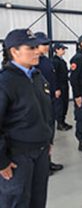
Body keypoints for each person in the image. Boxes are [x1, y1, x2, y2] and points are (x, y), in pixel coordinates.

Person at [0, 29, 52, 207]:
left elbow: (45, 111)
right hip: (18, 157)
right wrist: (2, 162)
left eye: (36, 46)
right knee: (17, 201)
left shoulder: (37, 77)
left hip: (41, 151)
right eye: (30, 48)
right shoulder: (5, 82)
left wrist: (48, 139)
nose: (37, 51)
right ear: (14, 51)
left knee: (38, 200)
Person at [35, 32, 64, 175]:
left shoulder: (46, 60)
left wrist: (56, 89)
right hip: (40, 103)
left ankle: (48, 161)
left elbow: (51, 77)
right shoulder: (35, 62)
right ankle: (42, 166)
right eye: (43, 44)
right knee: (42, 134)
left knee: (49, 133)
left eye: (47, 44)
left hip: (50, 101)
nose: (47, 47)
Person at [52, 42, 72, 131]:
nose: (64, 51)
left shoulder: (61, 61)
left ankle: (63, 122)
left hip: (64, 85)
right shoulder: (54, 61)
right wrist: (56, 88)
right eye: (62, 49)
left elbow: (62, 73)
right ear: (56, 50)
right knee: (59, 106)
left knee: (65, 104)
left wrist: (70, 70)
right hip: (59, 86)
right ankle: (59, 123)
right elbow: (54, 76)